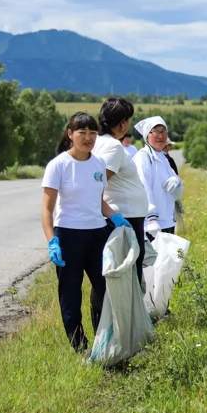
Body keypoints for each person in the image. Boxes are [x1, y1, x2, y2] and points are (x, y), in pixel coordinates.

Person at [41, 112, 132, 352]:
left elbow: (99, 200)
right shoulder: (58, 165)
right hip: (68, 235)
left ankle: (104, 341)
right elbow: (47, 209)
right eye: (82, 132)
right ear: (70, 134)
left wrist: (115, 216)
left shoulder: (98, 164)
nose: (88, 138)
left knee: (105, 289)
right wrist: (53, 242)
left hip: (97, 235)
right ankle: (80, 347)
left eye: (92, 133)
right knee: (70, 294)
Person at [92, 97, 148, 285]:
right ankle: (124, 315)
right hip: (125, 217)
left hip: (126, 214)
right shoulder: (113, 147)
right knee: (128, 274)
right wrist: (109, 212)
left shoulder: (101, 142)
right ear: (122, 122)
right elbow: (96, 184)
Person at [134, 116, 181, 237]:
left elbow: (175, 188)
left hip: (167, 220)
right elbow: (143, 186)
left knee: (170, 256)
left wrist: (177, 183)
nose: (161, 136)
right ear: (147, 135)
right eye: (156, 131)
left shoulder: (162, 157)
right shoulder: (143, 157)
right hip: (152, 224)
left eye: (163, 131)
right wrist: (151, 217)